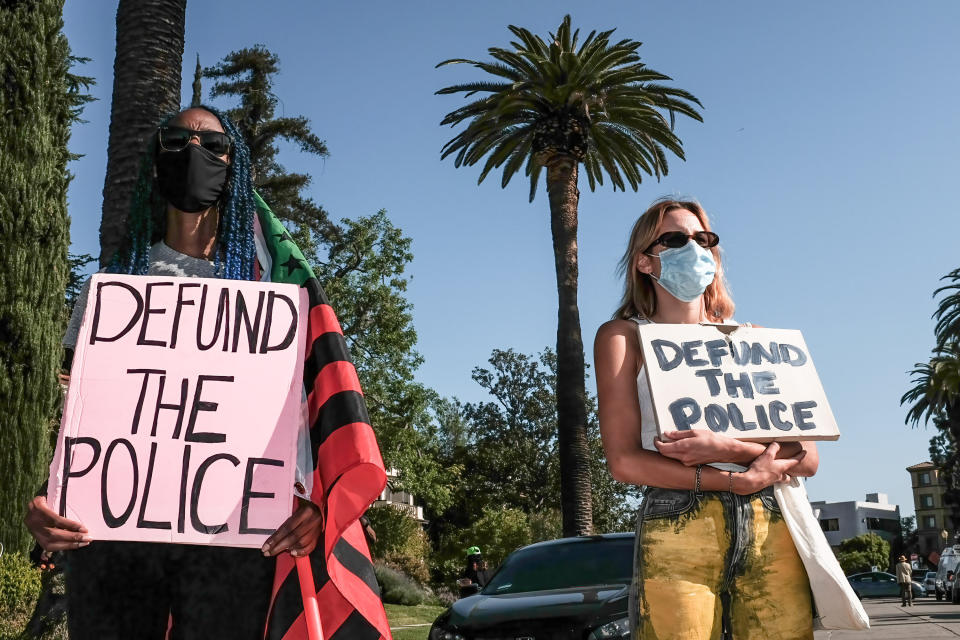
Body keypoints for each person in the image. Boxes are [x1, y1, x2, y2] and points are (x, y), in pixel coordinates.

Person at [24, 106, 323, 639]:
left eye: (213, 145)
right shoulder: (108, 294)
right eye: (178, 141)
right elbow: (74, 419)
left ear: (235, 165)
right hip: (113, 539)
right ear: (154, 164)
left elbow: (295, 423)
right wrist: (47, 500)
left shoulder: (269, 297)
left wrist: (309, 505)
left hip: (229, 537)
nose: (194, 154)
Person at [594, 198, 819, 640]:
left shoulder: (754, 341)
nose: (693, 248)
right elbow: (624, 462)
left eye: (703, 239)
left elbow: (808, 458)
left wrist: (730, 451)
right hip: (679, 522)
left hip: (771, 521)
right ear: (645, 261)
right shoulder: (623, 337)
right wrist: (734, 479)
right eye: (675, 239)